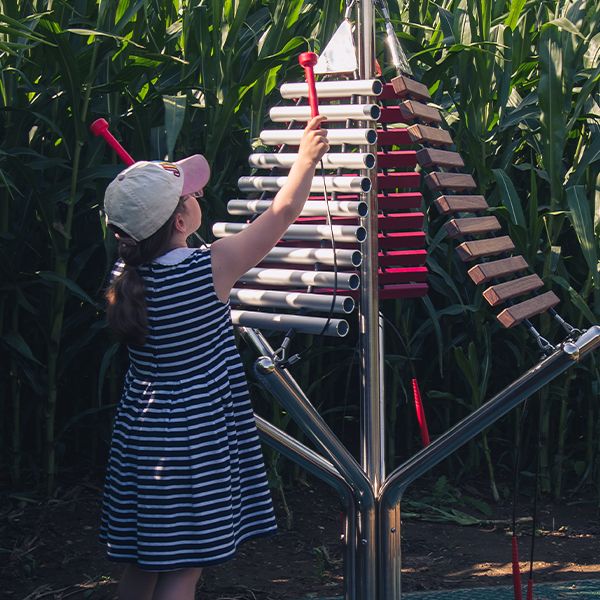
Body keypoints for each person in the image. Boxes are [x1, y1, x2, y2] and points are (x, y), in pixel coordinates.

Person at [99, 116, 329, 600]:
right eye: (190, 196)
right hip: (192, 438)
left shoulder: (125, 272)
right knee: (184, 567)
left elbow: (149, 236)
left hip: (141, 433)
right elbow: (283, 213)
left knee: (147, 561)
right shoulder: (212, 266)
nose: (198, 196)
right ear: (181, 221)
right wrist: (306, 159)